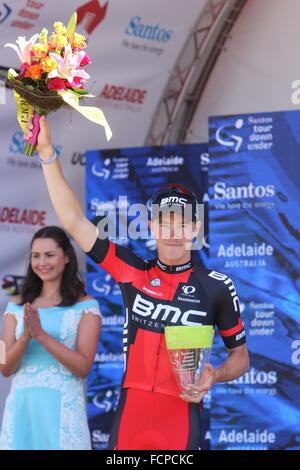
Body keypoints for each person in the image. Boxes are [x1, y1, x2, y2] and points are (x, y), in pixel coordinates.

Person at [23, 116, 249, 450]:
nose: (173, 231)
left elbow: (240, 357)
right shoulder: (132, 271)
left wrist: (216, 374)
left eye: (182, 223)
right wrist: (46, 152)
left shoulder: (215, 286)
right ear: (152, 227)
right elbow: (73, 221)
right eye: (165, 222)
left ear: (194, 230)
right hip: (132, 413)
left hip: (181, 415)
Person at [0, 226, 101, 450]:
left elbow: (83, 367)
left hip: (63, 411)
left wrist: (42, 336)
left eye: (49, 255)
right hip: (22, 409)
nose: (42, 262)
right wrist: (26, 336)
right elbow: (4, 367)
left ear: (66, 257)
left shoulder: (86, 305)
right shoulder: (15, 305)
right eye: (36, 256)